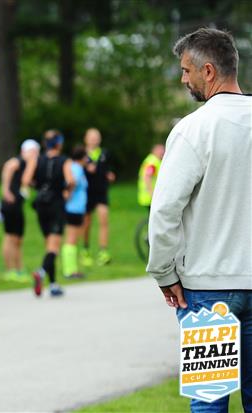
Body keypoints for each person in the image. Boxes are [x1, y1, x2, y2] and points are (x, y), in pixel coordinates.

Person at [147, 27, 251, 412]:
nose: (183, 79)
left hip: (208, 290)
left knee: (209, 402)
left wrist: (164, 273)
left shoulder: (194, 129)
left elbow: (164, 210)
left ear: (208, 71)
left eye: (186, 70)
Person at [22, 130, 74, 297]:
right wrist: (66, 192)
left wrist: (39, 185)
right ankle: (41, 272)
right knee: (54, 246)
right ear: (59, 143)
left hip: (41, 204)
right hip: (56, 203)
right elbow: (71, 180)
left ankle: (53, 284)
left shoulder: (36, 159)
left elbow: (26, 180)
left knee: (49, 246)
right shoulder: (64, 161)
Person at [0, 139, 40, 282]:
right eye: (33, 152)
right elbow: (9, 167)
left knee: (18, 239)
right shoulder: (19, 161)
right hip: (10, 204)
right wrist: (6, 190)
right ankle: (10, 270)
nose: (35, 155)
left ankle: (18, 268)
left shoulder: (27, 165)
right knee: (10, 236)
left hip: (18, 204)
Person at [80, 128, 115, 267]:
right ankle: (85, 250)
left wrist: (109, 175)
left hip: (101, 193)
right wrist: (85, 168)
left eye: (96, 137)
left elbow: (108, 169)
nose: (94, 139)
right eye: (91, 137)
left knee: (104, 221)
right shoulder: (82, 155)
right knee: (86, 223)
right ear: (86, 139)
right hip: (86, 193)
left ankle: (103, 252)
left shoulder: (104, 153)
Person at [62, 145, 89, 280]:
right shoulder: (77, 169)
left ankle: (72, 268)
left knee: (72, 239)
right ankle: (69, 270)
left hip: (76, 208)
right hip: (74, 208)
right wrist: (68, 195)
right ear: (82, 157)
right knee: (71, 239)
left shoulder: (75, 167)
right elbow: (72, 182)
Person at [137, 144, 165, 209]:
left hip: (150, 194)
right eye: (160, 150)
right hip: (151, 195)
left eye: (163, 149)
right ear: (154, 151)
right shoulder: (153, 162)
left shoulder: (152, 160)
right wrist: (151, 193)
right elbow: (147, 177)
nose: (163, 151)